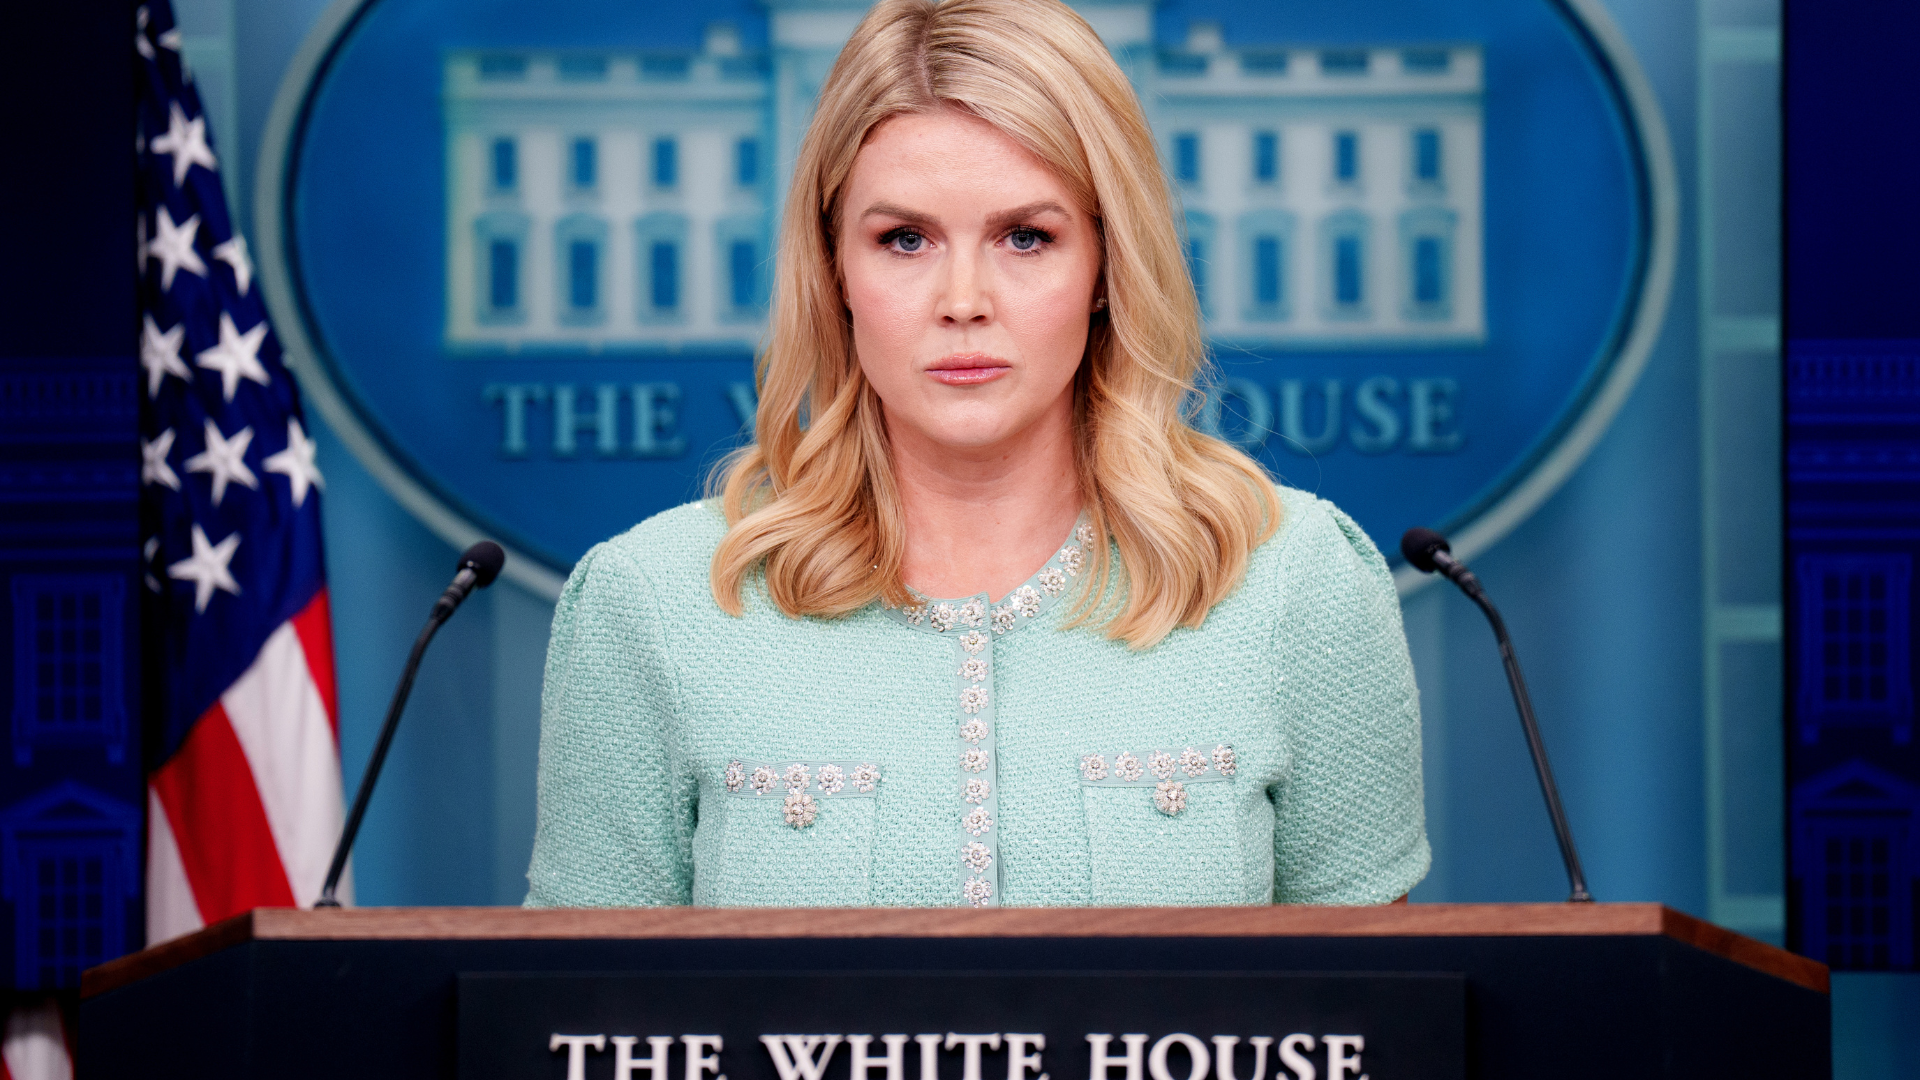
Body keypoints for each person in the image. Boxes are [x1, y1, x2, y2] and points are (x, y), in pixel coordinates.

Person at [526, 0, 1428, 909]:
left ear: (1108, 266)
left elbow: (1379, 1034)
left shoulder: (1295, 578)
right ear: (834, 269)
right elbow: (581, 1031)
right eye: (904, 240)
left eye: (1025, 237)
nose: (964, 300)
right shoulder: (652, 600)